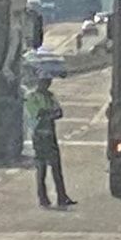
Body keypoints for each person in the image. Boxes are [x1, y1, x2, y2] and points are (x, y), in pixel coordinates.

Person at [25, 74, 76, 208]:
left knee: (56, 167)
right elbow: (36, 114)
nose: (47, 85)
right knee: (41, 168)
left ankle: (62, 196)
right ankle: (43, 198)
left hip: (50, 135)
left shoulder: (51, 96)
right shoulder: (32, 97)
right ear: (39, 83)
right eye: (44, 82)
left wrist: (48, 113)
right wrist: (49, 113)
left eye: (48, 83)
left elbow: (59, 112)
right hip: (39, 136)